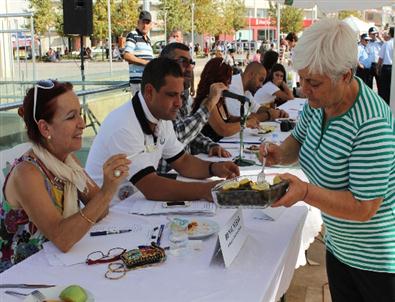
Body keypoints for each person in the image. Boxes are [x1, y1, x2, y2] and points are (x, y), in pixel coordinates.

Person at [260, 19, 395, 302]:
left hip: (378, 261)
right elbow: (297, 140)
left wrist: (306, 192)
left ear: (346, 75)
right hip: (340, 247)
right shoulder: (318, 104)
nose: (304, 90)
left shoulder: (371, 123)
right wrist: (279, 154)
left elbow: (363, 207)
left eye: (314, 82)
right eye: (303, 79)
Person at [0, 80, 130, 272]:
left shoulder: (68, 162)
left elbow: (100, 211)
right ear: (45, 128)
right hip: (21, 278)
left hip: (56, 263)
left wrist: (108, 186)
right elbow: (63, 238)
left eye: (80, 114)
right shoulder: (27, 173)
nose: (82, 124)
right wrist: (107, 190)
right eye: (71, 117)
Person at [86, 58, 239, 202]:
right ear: (149, 92)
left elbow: (183, 161)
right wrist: (205, 190)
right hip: (110, 212)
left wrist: (215, 168)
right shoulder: (123, 126)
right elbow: (152, 187)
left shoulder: (161, 116)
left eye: (180, 95)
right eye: (172, 95)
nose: (179, 103)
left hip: (134, 203)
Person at [157, 43, 231, 173]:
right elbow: (176, 137)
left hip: (183, 173)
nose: (189, 68)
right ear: (164, 64)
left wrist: (209, 146)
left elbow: (190, 135)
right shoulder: (158, 97)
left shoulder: (183, 95)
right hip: (166, 178)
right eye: (183, 62)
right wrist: (209, 103)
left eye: (190, 63)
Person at [191, 58, 260, 142]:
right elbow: (223, 129)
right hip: (209, 149)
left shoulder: (220, 99)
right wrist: (246, 123)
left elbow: (229, 119)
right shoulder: (208, 102)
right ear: (217, 80)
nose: (229, 84)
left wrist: (245, 118)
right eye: (227, 80)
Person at [123, 10, 154, 95]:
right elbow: (127, 56)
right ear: (138, 22)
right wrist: (146, 63)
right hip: (138, 82)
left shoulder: (148, 39)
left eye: (147, 23)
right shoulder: (133, 35)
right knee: (140, 107)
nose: (145, 25)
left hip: (147, 81)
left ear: (150, 25)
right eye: (143, 22)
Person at [377, 26, 393, 105]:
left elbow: (380, 59)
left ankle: (385, 105)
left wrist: (378, 68)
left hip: (387, 68)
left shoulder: (386, 44)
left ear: (390, 34)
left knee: (384, 89)